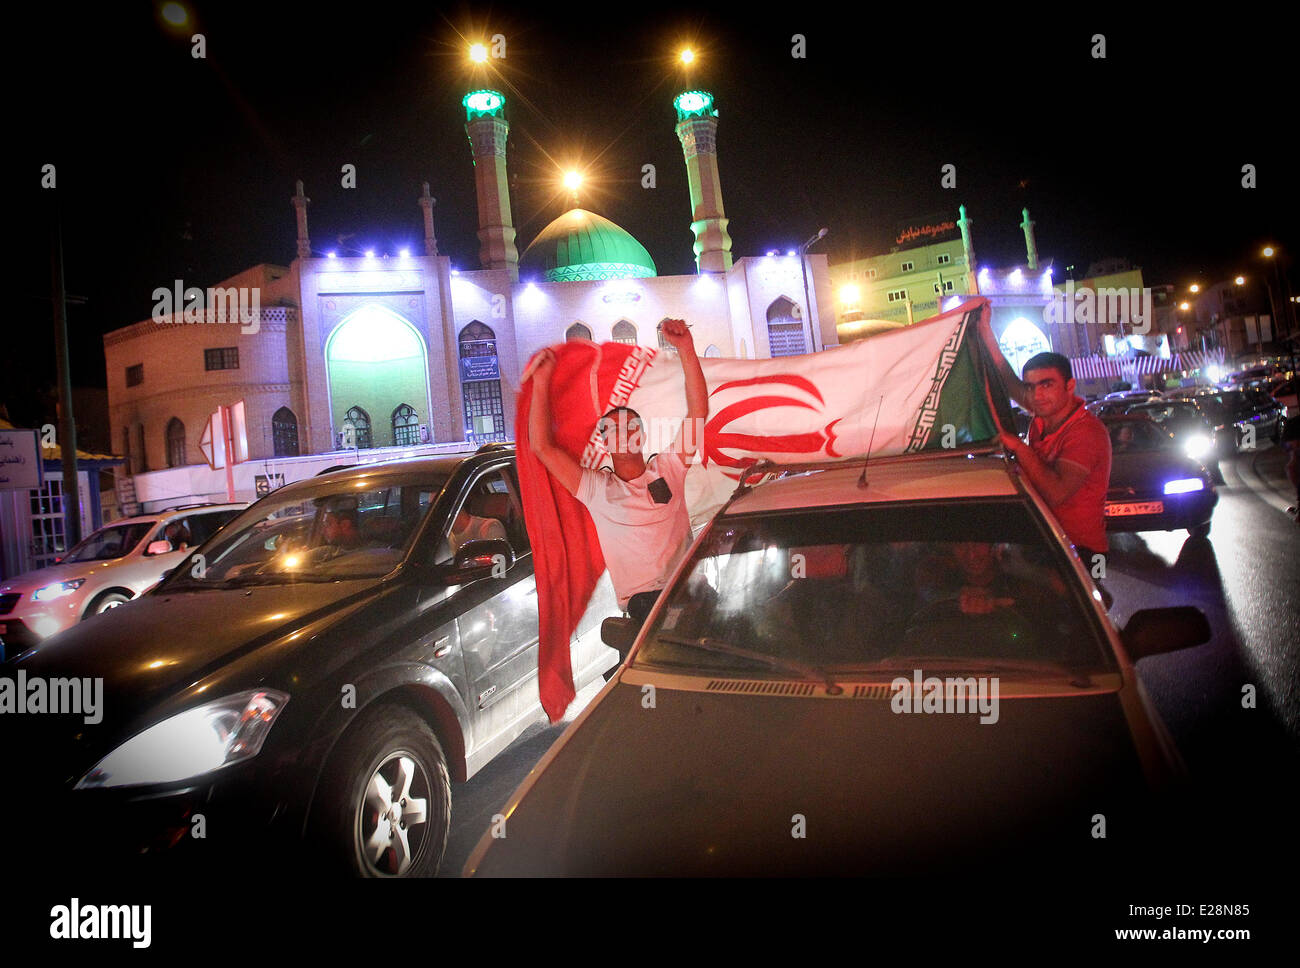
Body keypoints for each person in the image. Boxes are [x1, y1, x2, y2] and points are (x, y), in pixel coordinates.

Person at [529, 319, 708, 664]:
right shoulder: (598, 489)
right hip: (647, 608)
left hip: (692, 591)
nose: (624, 431)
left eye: (631, 425)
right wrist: (541, 383)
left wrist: (685, 348)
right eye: (615, 428)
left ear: (642, 435)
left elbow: (698, 411)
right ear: (605, 442)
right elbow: (543, 447)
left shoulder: (668, 468)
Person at [981, 343, 1113, 578]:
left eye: (1047, 385)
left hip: (1082, 552)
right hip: (1047, 543)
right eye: (1031, 387)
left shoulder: (1086, 432)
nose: (1036, 395)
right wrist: (984, 330)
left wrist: (1019, 447)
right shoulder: (1045, 415)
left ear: (1069, 386)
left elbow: (1056, 492)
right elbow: (1009, 381)